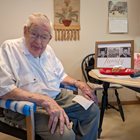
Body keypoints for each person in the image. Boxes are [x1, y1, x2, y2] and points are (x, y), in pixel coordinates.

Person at [0, 13, 99, 140]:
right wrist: (44, 100)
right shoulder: (9, 48)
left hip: (58, 98)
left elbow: (61, 76)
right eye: (34, 34)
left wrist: (78, 83)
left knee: (92, 111)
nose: (38, 42)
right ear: (25, 31)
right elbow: (4, 89)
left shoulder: (49, 50)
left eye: (44, 37)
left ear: (50, 38)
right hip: (30, 106)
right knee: (66, 135)